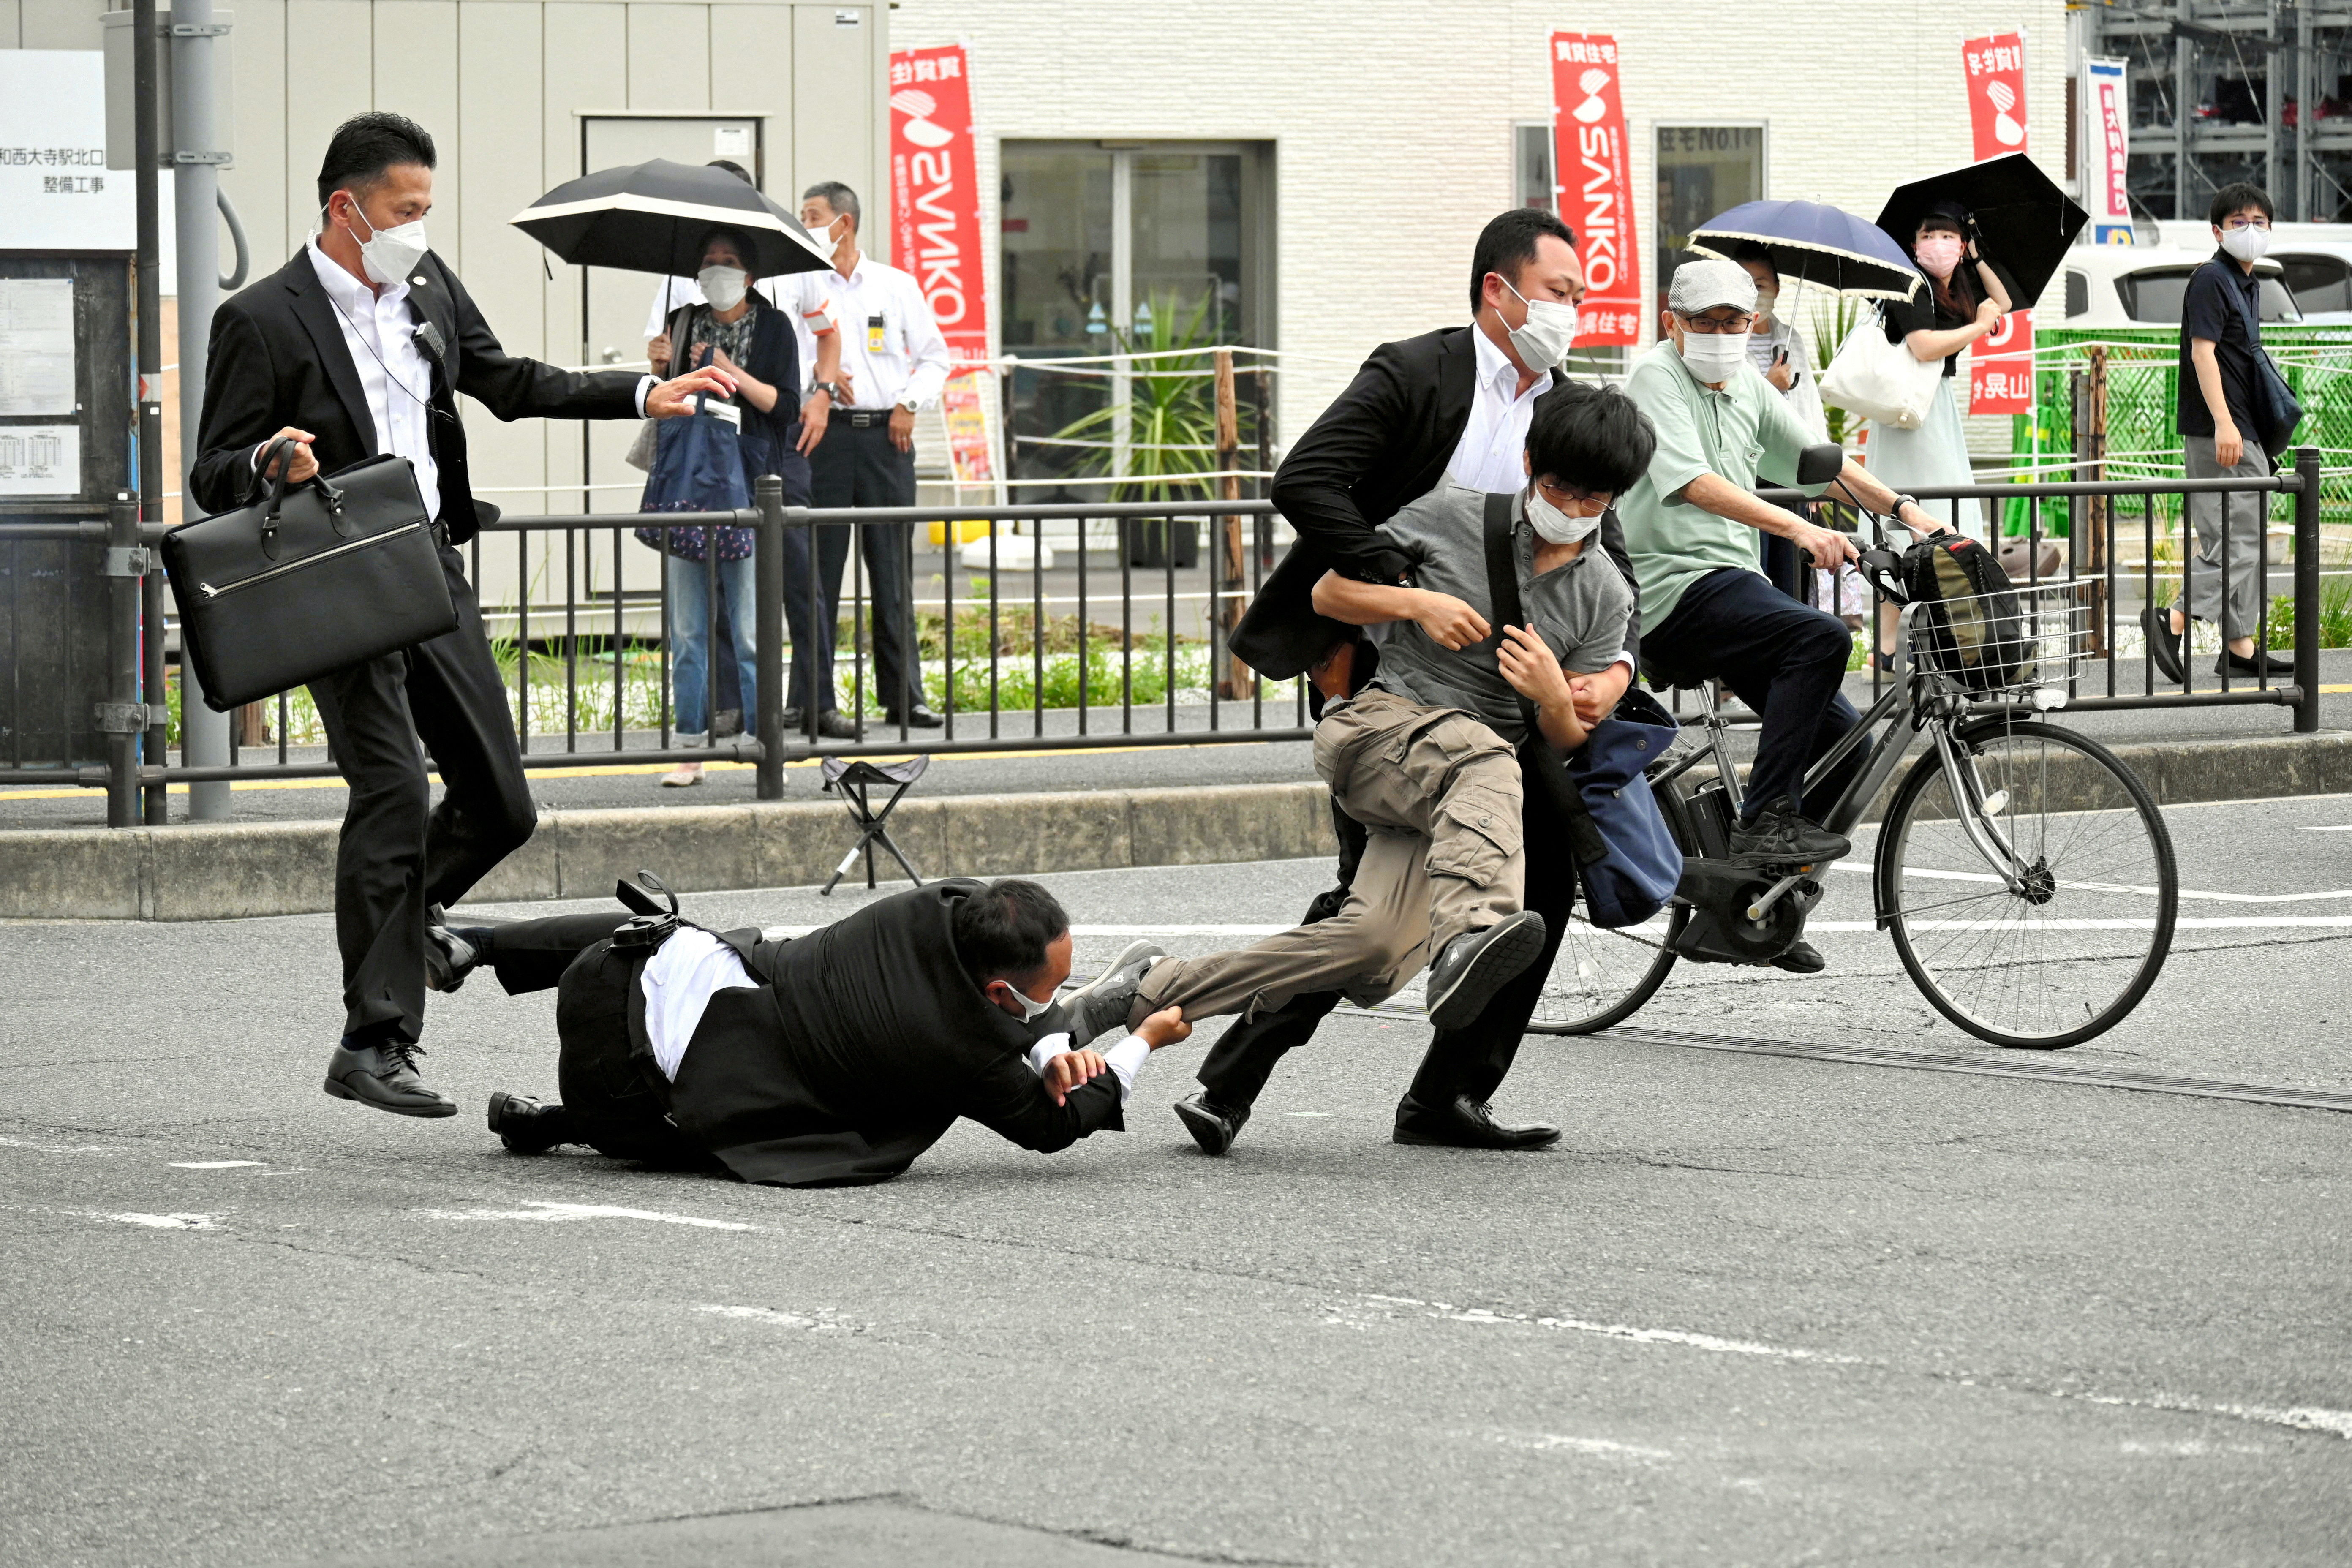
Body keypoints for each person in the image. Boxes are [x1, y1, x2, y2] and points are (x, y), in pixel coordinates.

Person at [189, 112, 731, 1120]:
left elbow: (508, 382)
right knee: (392, 790)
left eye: (427, 210)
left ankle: (408, 922)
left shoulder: (428, 289)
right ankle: (376, 1038)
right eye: (405, 210)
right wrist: (271, 460)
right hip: (335, 578)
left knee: (501, 802)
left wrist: (642, 391)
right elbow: (211, 469)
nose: (419, 229)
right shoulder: (263, 319)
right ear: (345, 208)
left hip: (429, 567)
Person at [1179, 209, 1644, 1157]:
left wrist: (1616, 672)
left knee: (1544, 881)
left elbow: (1611, 552)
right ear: (1498, 291)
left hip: (1513, 699)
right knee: (1370, 896)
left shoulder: (1564, 408)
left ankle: (1450, 1093)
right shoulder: (1419, 373)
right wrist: (1402, 586)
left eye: (1579, 299)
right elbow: (1307, 479)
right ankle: (1232, 1080)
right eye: (1559, 294)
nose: (1571, 312)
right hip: (1396, 679)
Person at [1130, 386, 1646, 1089]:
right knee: (1486, 757)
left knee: (1366, 943)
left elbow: (1564, 740)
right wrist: (1417, 601)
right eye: (1560, 488)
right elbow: (1326, 595)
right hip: (1380, 733)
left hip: (1463, 787)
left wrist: (1555, 695)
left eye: (1596, 499)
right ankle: (1469, 936)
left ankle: (1153, 988)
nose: (1574, 509)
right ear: (1528, 463)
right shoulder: (1451, 515)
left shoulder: (1605, 593)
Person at [449, 879, 1188, 1187]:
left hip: (602, 975)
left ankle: (477, 945)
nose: (1052, 995)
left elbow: (977, 905)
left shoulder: (927, 908)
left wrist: (1049, 1040)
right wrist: (1145, 1040)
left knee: (671, 935)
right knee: (741, 1113)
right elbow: (1053, 1129)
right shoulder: (962, 1051)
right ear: (996, 992)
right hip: (624, 1100)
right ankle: (563, 1122)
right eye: (1050, 989)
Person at [1619, 258, 1942, 942]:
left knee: (1845, 747)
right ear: (1670, 322)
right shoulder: (1654, 378)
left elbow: (1817, 462)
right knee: (1818, 636)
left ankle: (1753, 910)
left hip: (1732, 587)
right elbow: (1687, 482)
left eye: (1731, 321)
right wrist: (1794, 525)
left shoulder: (1742, 384)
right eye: (1701, 322)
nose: (1718, 333)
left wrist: (1910, 514)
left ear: (1751, 324)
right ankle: (1764, 817)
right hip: (1668, 589)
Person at [642, 161, 849, 739]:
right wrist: (660, 365)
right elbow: (661, 381)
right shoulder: (680, 290)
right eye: (712, 264)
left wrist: (822, 396)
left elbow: (823, 344)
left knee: (794, 578)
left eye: (730, 265)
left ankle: (810, 704)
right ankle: (718, 712)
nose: (717, 272)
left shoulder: (790, 265)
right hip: (698, 464)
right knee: (705, 600)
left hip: (769, 458)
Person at [796, 180, 954, 735]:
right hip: (822, 438)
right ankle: (811, 698)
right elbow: (785, 356)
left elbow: (936, 358)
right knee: (818, 573)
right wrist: (815, 380)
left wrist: (910, 403)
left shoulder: (895, 285)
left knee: (892, 570)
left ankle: (904, 696)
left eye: (813, 215)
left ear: (846, 221)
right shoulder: (798, 284)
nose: (806, 223)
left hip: (889, 436)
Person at [2144, 182, 2294, 682]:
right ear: (2217, 230)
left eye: (2260, 223)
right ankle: (2176, 618)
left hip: (2239, 431)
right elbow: (2202, 353)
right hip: (2221, 432)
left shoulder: (2244, 282)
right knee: (2241, 541)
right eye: (2239, 223)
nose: (2251, 231)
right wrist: (2226, 423)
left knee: (2236, 537)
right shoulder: (2212, 278)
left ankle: (2240, 647)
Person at [1867, 201, 2014, 543]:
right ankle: (1904, 586)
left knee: (1944, 497)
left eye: (1949, 235)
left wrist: (1976, 256)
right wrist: (1979, 327)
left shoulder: (1957, 287)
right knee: (1916, 500)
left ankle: (1940, 579)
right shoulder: (1911, 284)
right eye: (1928, 235)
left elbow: (2002, 303)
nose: (1938, 242)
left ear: (1961, 245)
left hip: (1935, 399)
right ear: (1915, 246)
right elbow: (1923, 346)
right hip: (1907, 403)